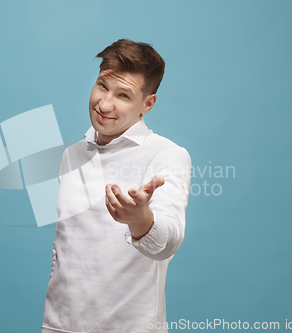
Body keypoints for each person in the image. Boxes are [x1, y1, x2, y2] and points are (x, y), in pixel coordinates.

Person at [41, 39, 192, 333]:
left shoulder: (166, 155)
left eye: (123, 95)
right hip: (59, 326)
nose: (104, 104)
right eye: (102, 86)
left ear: (147, 104)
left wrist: (141, 221)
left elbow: (168, 243)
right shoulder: (71, 155)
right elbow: (66, 246)